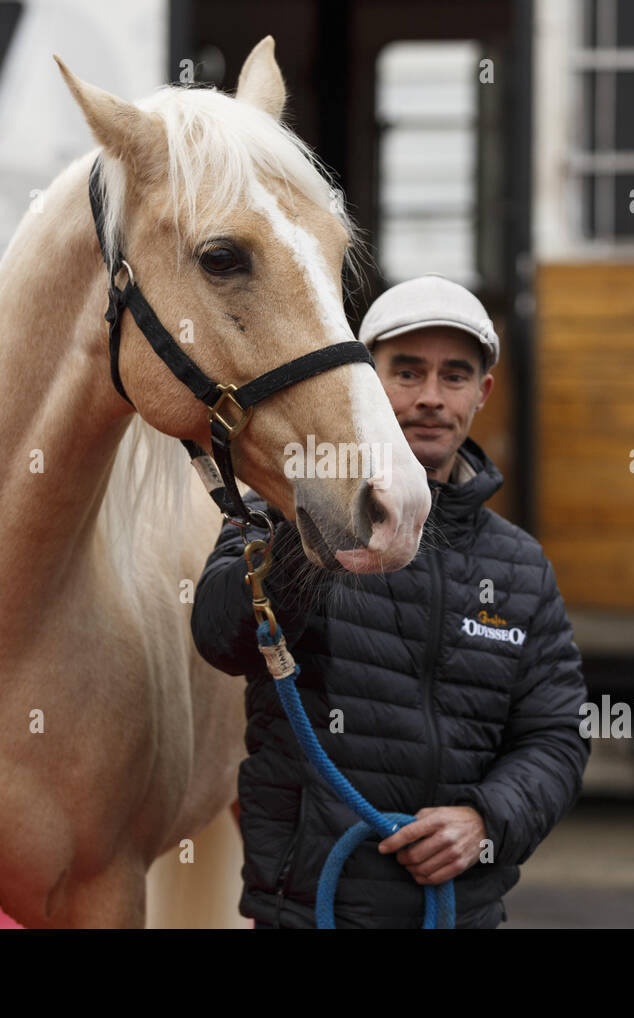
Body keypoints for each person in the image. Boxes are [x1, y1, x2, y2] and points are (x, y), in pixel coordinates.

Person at [191, 273, 589, 928]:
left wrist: (485, 821)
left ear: (481, 393)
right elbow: (221, 637)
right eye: (406, 372)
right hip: (308, 908)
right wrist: (312, 516)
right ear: (365, 379)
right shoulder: (286, 509)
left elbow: (556, 736)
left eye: (454, 376)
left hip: (459, 909)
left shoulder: (520, 567)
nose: (431, 397)